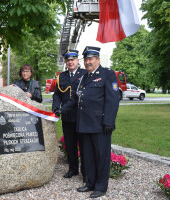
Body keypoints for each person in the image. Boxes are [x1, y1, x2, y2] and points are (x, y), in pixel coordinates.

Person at [58, 46, 120, 198]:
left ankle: (100, 187)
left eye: (91, 59)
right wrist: (62, 110)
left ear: (98, 59)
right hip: (84, 124)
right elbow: (76, 99)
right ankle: (90, 183)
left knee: (101, 156)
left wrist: (109, 122)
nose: (88, 62)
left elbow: (113, 100)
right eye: (85, 59)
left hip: (100, 125)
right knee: (88, 157)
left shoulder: (107, 74)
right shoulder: (84, 77)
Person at [52, 50, 86, 181]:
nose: (70, 62)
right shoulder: (61, 76)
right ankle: (73, 169)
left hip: (81, 116)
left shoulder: (84, 74)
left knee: (83, 145)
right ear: (66, 62)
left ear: (78, 61)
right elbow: (57, 94)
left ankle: (85, 171)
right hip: (67, 117)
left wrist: (62, 109)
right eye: (68, 60)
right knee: (70, 144)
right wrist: (56, 107)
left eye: (73, 60)